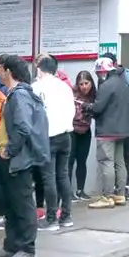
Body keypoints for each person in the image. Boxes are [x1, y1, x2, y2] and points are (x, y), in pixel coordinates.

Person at [0, 54, 48, 257]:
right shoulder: (13, 94)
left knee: (22, 205)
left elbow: (23, 128)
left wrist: (10, 151)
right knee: (11, 204)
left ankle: (27, 249)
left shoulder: (19, 96)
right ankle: (11, 245)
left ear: (6, 70)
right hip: (11, 158)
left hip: (17, 159)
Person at [31, 54, 76, 230]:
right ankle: (66, 216)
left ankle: (51, 219)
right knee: (63, 176)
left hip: (47, 137)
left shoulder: (36, 87)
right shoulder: (65, 87)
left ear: (40, 69)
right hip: (66, 135)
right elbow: (72, 110)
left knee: (48, 178)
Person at [86, 57, 129, 209]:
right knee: (120, 162)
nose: (98, 75)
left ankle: (107, 196)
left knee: (106, 162)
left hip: (107, 130)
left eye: (99, 72)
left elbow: (98, 108)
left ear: (103, 71)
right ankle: (120, 195)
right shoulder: (122, 83)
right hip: (122, 129)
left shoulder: (106, 85)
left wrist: (87, 107)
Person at [101, 53, 129, 200]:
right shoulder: (103, 76)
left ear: (116, 63)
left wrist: (128, 117)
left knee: (127, 155)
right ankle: (112, 188)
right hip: (113, 125)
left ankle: (124, 188)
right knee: (113, 157)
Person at [70, 70, 96, 201]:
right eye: (81, 84)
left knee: (82, 161)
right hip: (72, 130)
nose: (84, 87)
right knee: (69, 162)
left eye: (86, 83)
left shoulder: (93, 95)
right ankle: (68, 192)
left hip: (85, 131)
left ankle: (80, 190)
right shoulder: (72, 94)